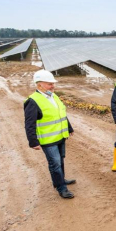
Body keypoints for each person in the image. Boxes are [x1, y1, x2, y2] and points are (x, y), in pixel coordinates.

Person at [24, 70, 76, 199]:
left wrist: (69, 128)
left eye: (53, 83)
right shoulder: (33, 101)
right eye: (49, 84)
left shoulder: (53, 96)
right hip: (48, 139)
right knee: (55, 163)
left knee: (60, 161)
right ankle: (61, 188)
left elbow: (61, 114)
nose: (53, 86)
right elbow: (29, 123)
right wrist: (33, 141)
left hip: (60, 136)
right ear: (39, 84)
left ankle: (61, 180)